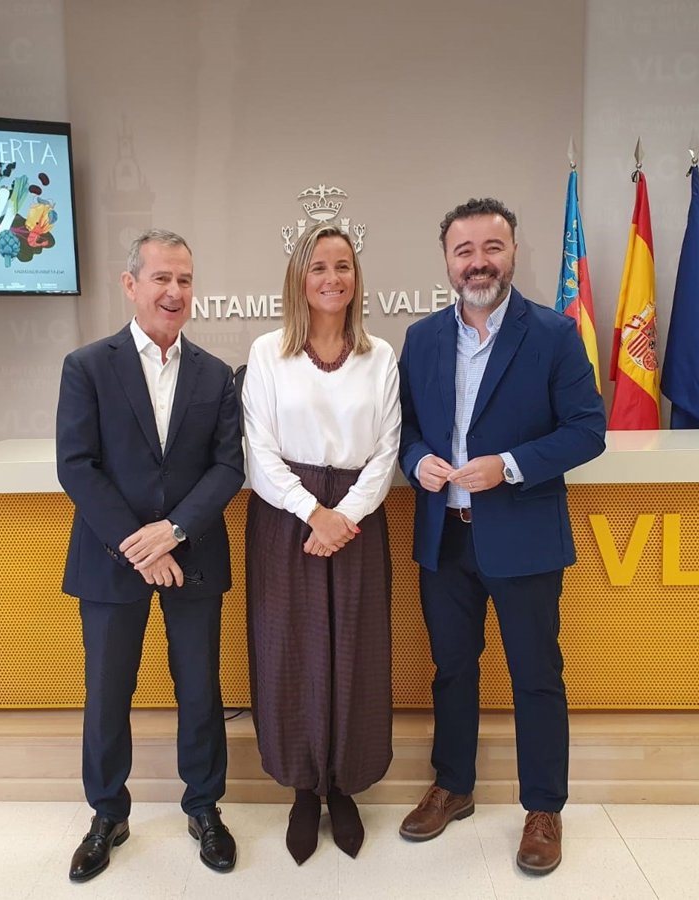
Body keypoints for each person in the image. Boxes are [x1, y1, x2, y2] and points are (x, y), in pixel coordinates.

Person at [397, 198, 606, 875]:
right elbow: (404, 427)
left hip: (523, 536)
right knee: (452, 670)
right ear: (447, 261)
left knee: (535, 676)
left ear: (513, 252)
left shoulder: (554, 334)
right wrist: (416, 460)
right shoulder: (422, 338)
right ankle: (453, 785)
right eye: (465, 251)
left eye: (492, 247)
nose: (479, 262)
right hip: (445, 539)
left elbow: (587, 430)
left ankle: (543, 809)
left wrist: (509, 466)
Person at [56, 229, 245, 883]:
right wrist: (140, 546)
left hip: (192, 554)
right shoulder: (87, 366)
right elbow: (76, 466)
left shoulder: (216, 375)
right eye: (161, 278)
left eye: (184, 280)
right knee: (108, 691)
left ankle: (205, 808)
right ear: (131, 283)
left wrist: (174, 530)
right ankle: (107, 813)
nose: (174, 291)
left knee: (200, 688)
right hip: (112, 558)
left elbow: (228, 467)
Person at [241, 222, 401, 864]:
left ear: (356, 278)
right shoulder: (266, 353)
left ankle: (344, 785)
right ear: (298, 278)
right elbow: (258, 450)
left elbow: (387, 450)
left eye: (343, 266)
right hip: (287, 518)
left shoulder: (379, 356)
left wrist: (343, 517)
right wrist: (314, 512)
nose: (332, 278)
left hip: (357, 520)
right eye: (318, 267)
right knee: (291, 653)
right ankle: (304, 789)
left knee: (355, 652)